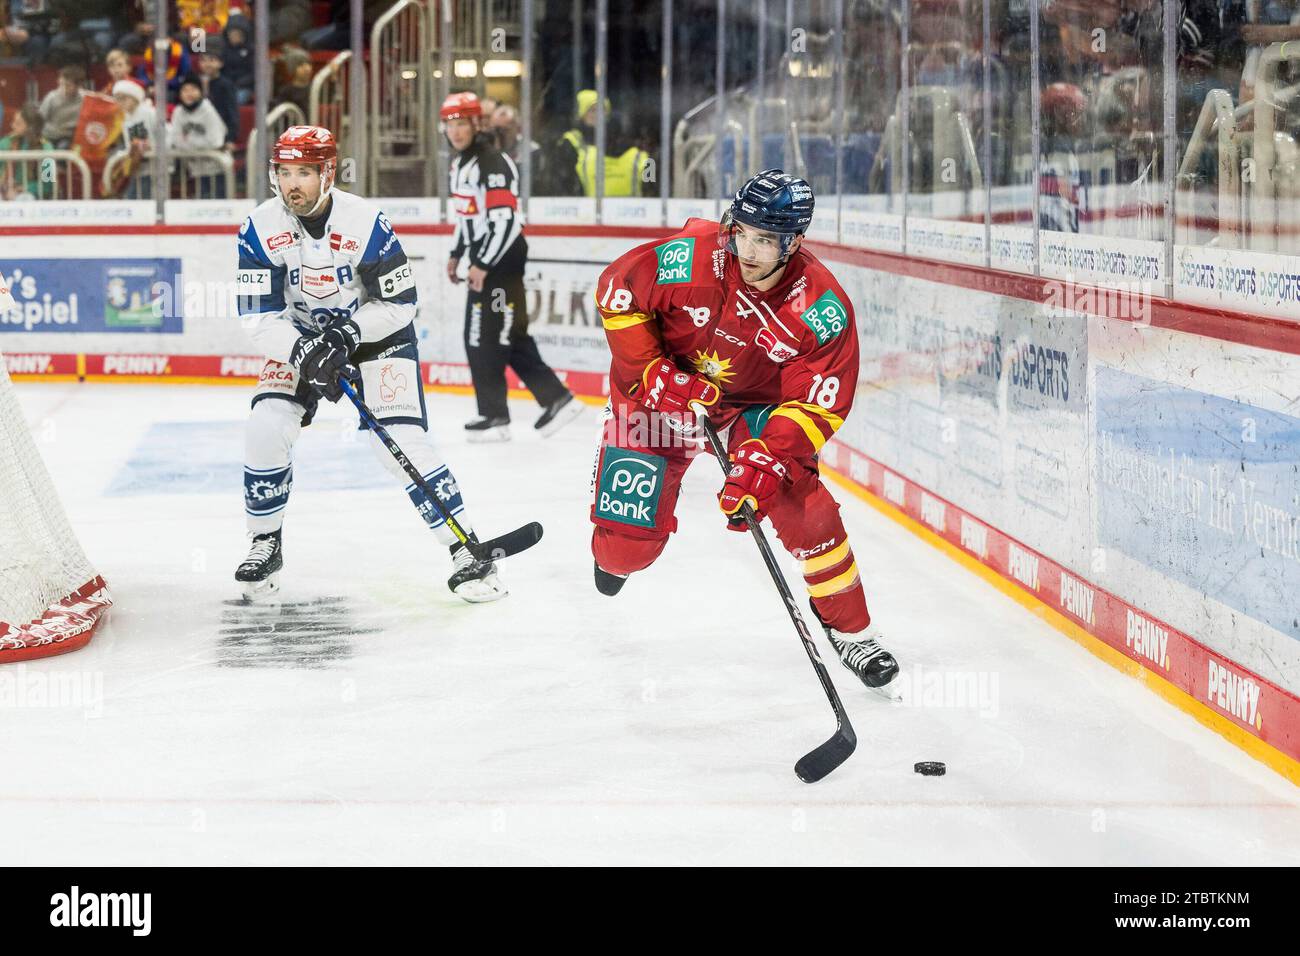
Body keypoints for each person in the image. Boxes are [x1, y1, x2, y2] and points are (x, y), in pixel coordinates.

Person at [587, 169, 900, 696]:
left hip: (752, 405)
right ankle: (619, 535)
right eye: (743, 233)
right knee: (622, 553)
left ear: (794, 242)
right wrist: (652, 371)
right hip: (658, 392)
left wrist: (765, 463)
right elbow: (617, 291)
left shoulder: (820, 309)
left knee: (806, 506)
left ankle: (852, 632)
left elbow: (816, 404)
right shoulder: (695, 257)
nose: (748, 251)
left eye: (765, 240)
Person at [234, 124, 507, 604]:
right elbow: (258, 316)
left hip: (374, 337)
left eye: (304, 172)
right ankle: (265, 543)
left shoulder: (366, 222)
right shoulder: (259, 227)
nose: (291, 183)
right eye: (283, 172)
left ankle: (464, 549)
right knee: (265, 423)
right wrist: (304, 350)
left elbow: (400, 303)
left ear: (328, 173)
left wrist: (347, 335)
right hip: (299, 340)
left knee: (401, 442)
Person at [441, 92, 581, 442]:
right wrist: (457, 253)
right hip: (489, 263)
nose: (455, 132)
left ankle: (495, 415)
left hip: (502, 265)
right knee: (506, 334)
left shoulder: (492, 162)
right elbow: (467, 218)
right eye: (450, 124)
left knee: (483, 336)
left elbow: (506, 222)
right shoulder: (461, 165)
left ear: (478, 124)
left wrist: (483, 264)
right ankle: (554, 400)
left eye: (462, 123)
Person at [168, 74, 228, 197]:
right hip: (195, 170)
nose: (189, 93)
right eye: (185, 90)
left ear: (200, 92)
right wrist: (197, 144)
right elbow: (175, 140)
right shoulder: (178, 112)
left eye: (193, 89)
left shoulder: (208, 111)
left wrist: (188, 141)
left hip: (216, 169)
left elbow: (216, 141)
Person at [0, 104, 55, 200]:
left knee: (24, 199)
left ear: (31, 127)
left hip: (30, 194)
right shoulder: (6, 142)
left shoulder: (46, 148)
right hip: (5, 189)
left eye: (18, 123)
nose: (12, 126)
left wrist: (22, 188)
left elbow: (48, 185)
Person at [37, 64, 85, 149]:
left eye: (68, 86)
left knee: (63, 148)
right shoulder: (51, 97)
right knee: (47, 152)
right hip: (48, 136)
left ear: (78, 86)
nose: (64, 89)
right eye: (61, 84)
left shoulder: (84, 99)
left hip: (68, 137)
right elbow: (40, 119)